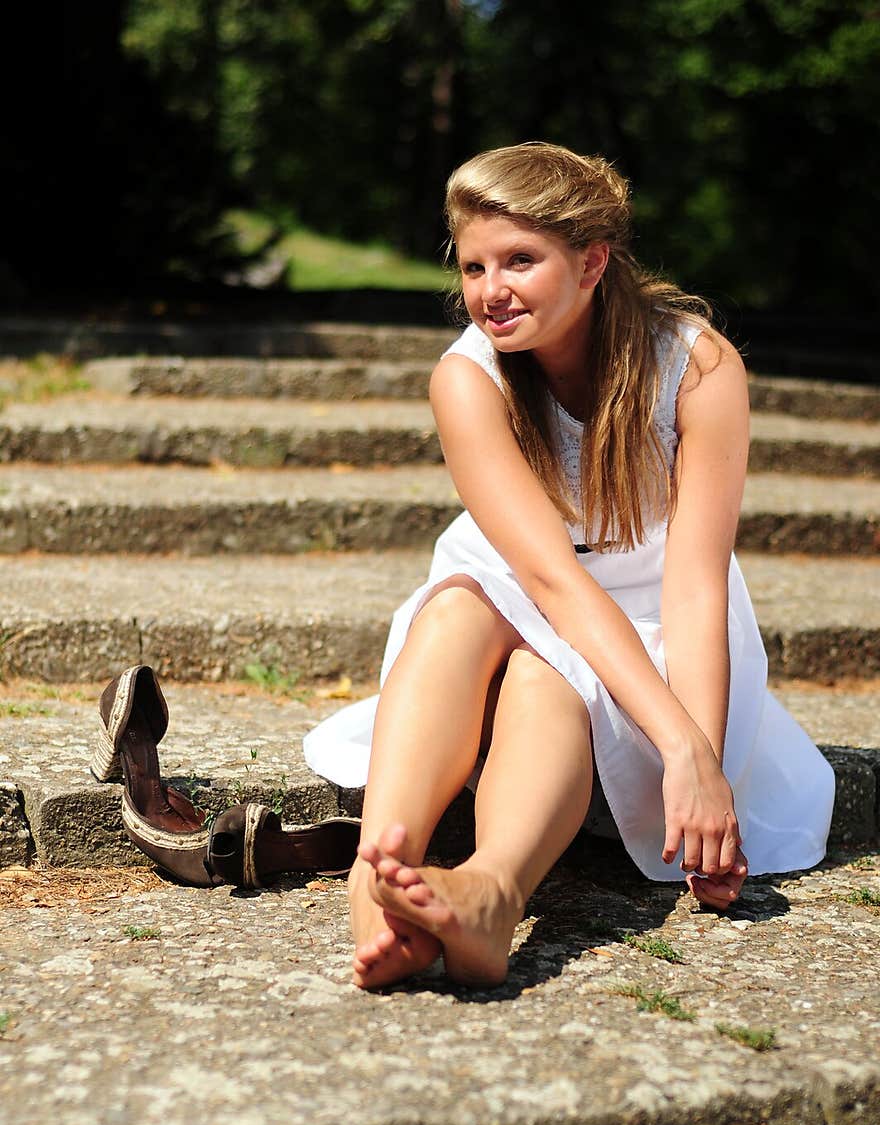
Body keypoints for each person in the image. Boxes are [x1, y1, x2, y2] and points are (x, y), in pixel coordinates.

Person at [303, 141, 835, 991]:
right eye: (474, 266)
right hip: (525, 587)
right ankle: (378, 895)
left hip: (665, 630)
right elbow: (548, 580)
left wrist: (695, 756)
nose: (490, 291)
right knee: (457, 609)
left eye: (520, 260)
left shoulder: (697, 369)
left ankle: (489, 894)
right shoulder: (467, 378)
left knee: (545, 671)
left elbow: (695, 584)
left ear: (592, 262)